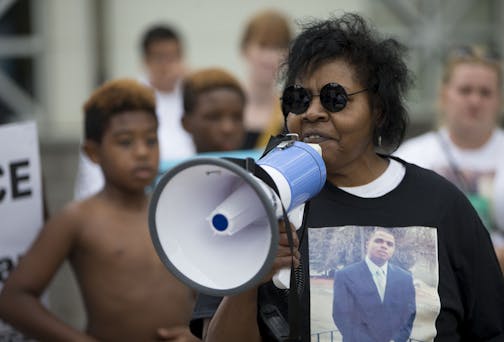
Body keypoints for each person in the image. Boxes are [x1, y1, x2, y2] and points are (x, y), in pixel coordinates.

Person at [201, 13, 504, 342]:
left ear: (379, 110)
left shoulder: (442, 205)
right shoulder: (254, 201)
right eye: (298, 98)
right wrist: (249, 277)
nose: (312, 112)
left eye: (335, 98)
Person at [0, 79, 199, 341]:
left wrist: (198, 334)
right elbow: (13, 299)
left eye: (151, 140)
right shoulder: (78, 219)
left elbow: (203, 287)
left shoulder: (177, 210)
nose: (142, 152)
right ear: (93, 152)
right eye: (125, 142)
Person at [395, 45, 504, 272]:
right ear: (444, 95)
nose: (475, 101)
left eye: (485, 92)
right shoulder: (410, 156)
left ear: (499, 99)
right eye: (465, 90)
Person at [74, 23, 194, 200]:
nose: (168, 65)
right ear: (145, 60)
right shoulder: (124, 102)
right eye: (160, 57)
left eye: (174, 57)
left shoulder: (192, 98)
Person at [332, 228, 415, 342]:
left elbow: (408, 315)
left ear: (393, 250)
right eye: (379, 241)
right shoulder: (345, 275)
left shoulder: (405, 278)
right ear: (367, 244)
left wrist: (396, 340)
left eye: (389, 244)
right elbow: (341, 316)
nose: (384, 246)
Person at [239, 9, 293, 150]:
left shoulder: (292, 113)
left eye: (278, 47)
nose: (269, 57)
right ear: (245, 49)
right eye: (263, 46)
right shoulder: (225, 108)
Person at [181, 67, 246, 154]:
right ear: (186, 123)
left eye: (237, 117)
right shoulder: (164, 166)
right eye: (214, 117)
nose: (228, 128)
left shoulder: (263, 165)